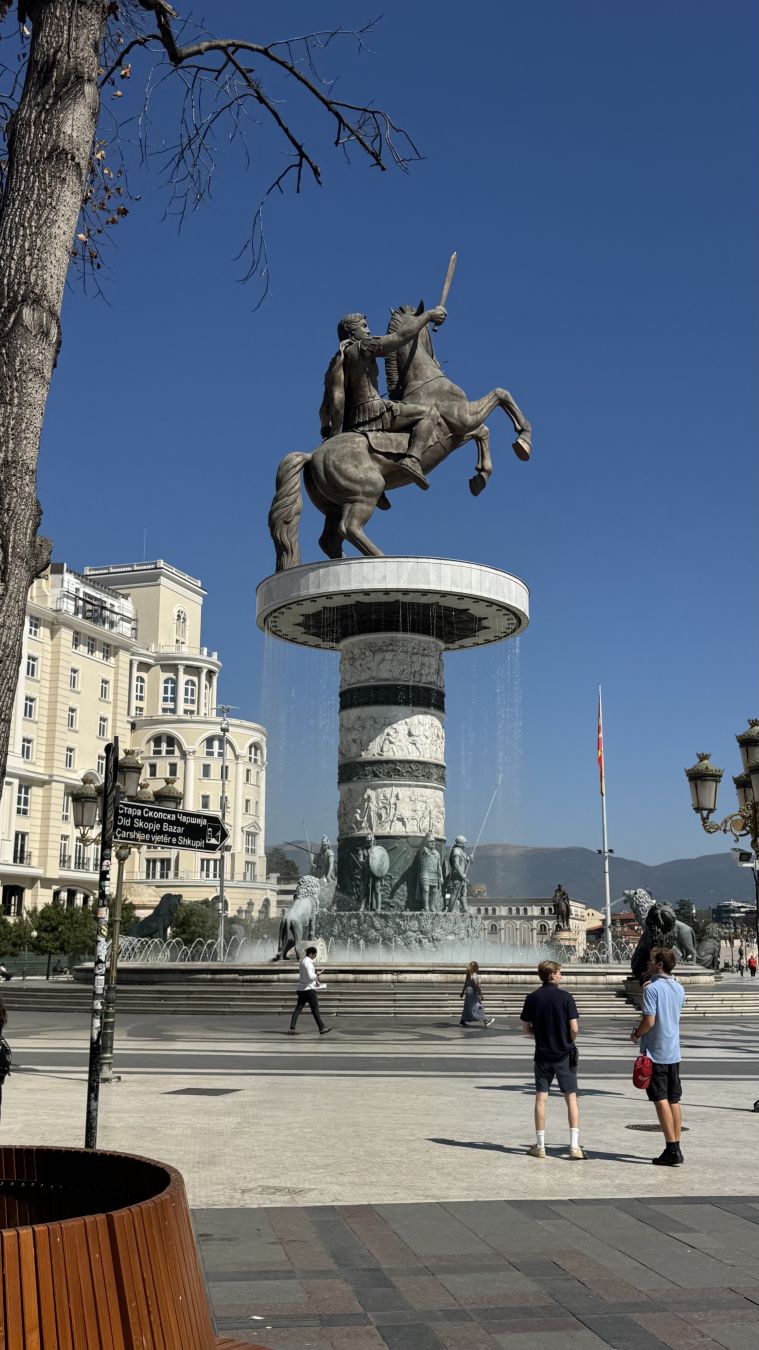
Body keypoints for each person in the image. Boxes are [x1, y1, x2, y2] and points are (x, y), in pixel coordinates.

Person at [319, 307, 449, 490]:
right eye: (363, 326)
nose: (369, 330)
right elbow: (399, 338)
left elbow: (327, 406)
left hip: (351, 424)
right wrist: (427, 316)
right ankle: (412, 459)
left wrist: (328, 430)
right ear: (351, 331)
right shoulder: (363, 346)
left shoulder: (336, 361)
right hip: (374, 412)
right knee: (430, 413)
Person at [520, 960, 585, 1160]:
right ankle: (574, 1146)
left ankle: (540, 1146)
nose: (561, 976)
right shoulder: (566, 997)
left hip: (542, 1055)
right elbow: (574, 1029)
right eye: (559, 973)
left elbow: (526, 1029)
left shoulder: (532, 998)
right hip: (564, 1054)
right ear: (552, 975)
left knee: (541, 1097)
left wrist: (540, 1034)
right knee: (571, 1098)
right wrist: (568, 1040)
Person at [631, 946, 686, 1166]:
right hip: (674, 1050)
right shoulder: (679, 988)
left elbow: (649, 1021)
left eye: (651, 960)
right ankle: (677, 1145)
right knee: (674, 1099)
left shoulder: (652, 989)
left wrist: (636, 1033)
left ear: (660, 964)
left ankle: (671, 1148)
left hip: (656, 1052)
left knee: (660, 1098)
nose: (647, 963)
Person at [288, 947, 332, 1036]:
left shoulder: (303, 961)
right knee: (315, 1009)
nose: (315, 956)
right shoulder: (308, 962)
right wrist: (317, 974)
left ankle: (292, 1028)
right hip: (309, 990)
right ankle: (322, 1028)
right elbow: (310, 976)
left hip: (301, 989)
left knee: (298, 1008)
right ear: (311, 954)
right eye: (315, 955)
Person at [459, 962, 494, 1028]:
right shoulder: (475, 975)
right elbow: (477, 986)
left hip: (469, 995)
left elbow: (465, 985)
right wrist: (481, 994)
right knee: (479, 1007)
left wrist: (462, 992)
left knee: (467, 1007)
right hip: (474, 995)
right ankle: (486, 1020)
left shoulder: (468, 975)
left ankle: (463, 1020)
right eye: (477, 966)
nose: (478, 967)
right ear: (475, 967)